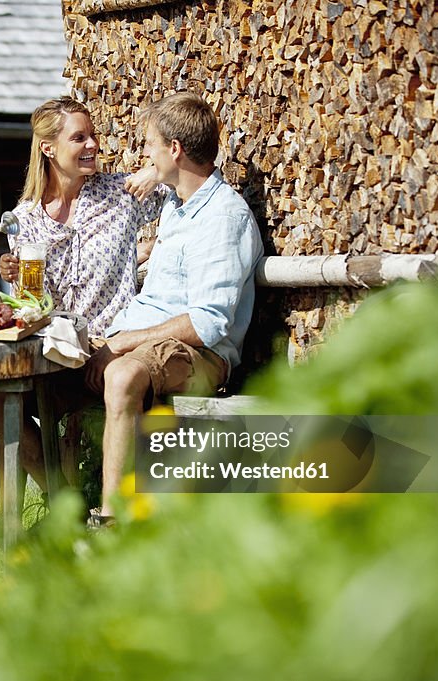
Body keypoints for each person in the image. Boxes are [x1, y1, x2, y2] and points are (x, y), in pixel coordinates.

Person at [0, 96, 165, 513]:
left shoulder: (122, 194)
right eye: (79, 137)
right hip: (54, 354)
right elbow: (33, 305)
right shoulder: (23, 219)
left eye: (93, 135)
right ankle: (62, 503)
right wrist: (15, 282)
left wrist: (155, 172)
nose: (93, 145)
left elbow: (194, 182)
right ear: (48, 148)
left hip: (108, 353)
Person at [84, 92, 263, 524]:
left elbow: (208, 322)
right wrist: (156, 171)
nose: (145, 154)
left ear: (176, 149)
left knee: (122, 373)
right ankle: (49, 508)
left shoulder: (223, 217)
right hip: (144, 339)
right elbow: (165, 173)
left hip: (200, 355)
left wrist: (123, 343)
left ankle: (111, 521)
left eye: (150, 145)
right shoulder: (176, 205)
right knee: (38, 366)